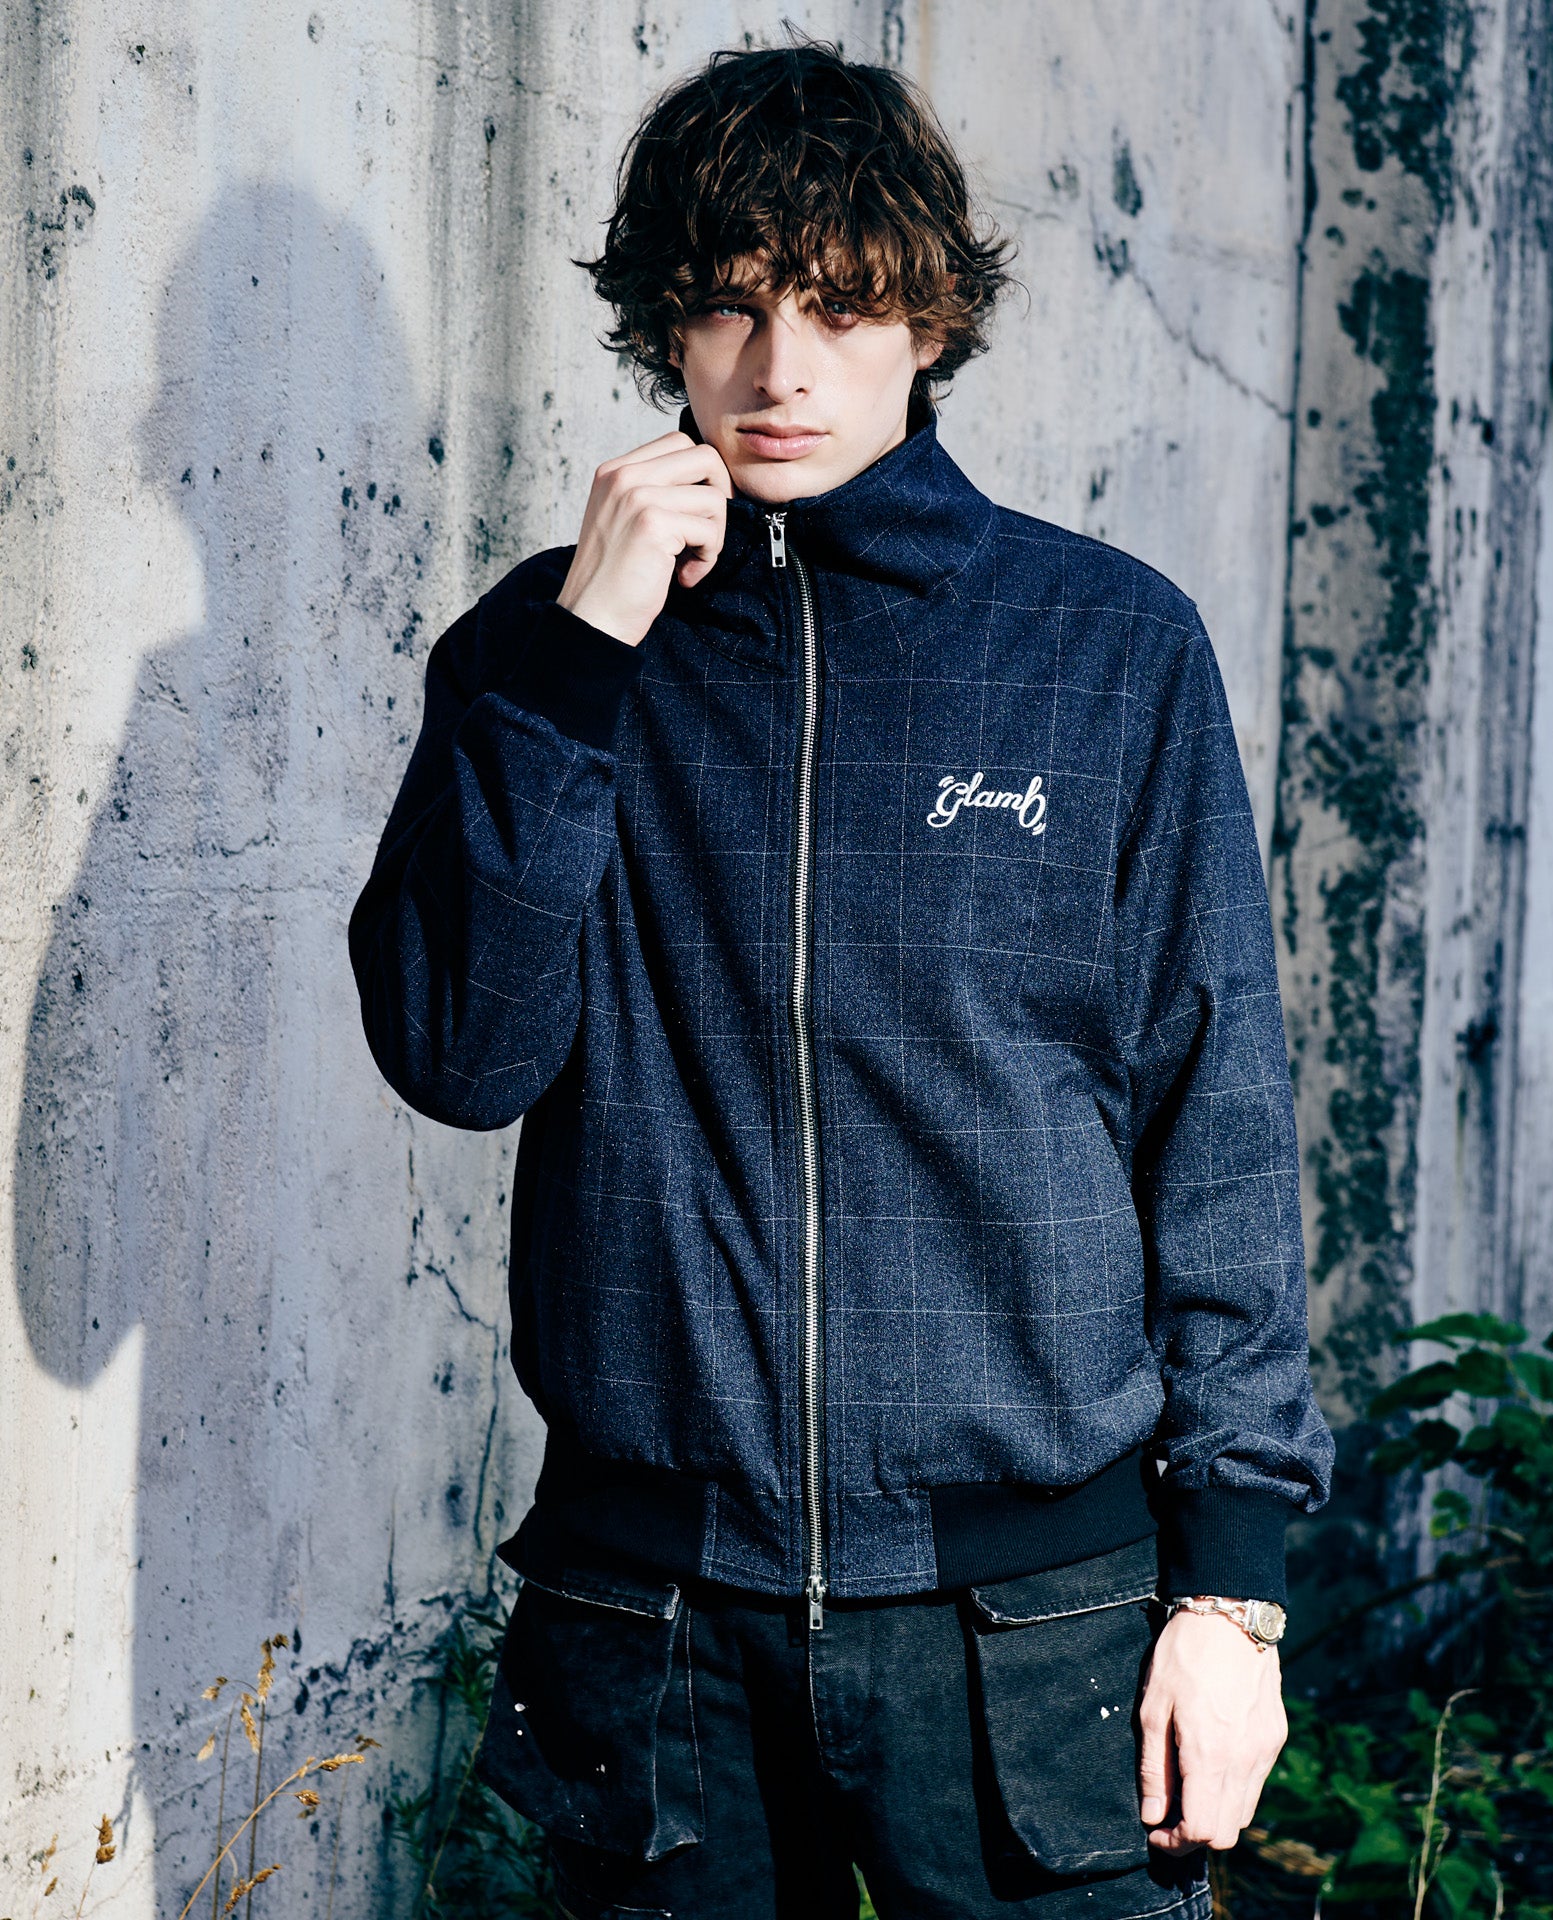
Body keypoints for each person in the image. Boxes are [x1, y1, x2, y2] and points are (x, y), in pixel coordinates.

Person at [348, 35, 1334, 1920]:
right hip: (656, 1625)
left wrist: (1231, 1592)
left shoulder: (1105, 647)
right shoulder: (540, 655)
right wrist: (580, 662)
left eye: (838, 306)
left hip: (1030, 1623)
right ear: (665, 325)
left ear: (929, 321)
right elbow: (461, 1053)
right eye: (729, 307)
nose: (778, 367)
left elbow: (1218, 1123)